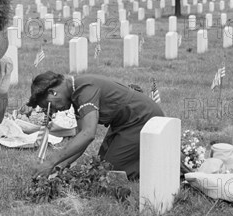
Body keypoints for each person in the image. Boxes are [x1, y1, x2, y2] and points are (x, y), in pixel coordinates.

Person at [25, 72, 164, 181]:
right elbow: (81, 139)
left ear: (52, 92)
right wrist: (59, 167)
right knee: (101, 166)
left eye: (50, 106)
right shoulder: (76, 92)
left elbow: (88, 133)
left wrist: (50, 162)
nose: (55, 111)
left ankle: (168, 165)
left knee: (112, 172)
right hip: (124, 124)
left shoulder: (84, 89)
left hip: (142, 119)